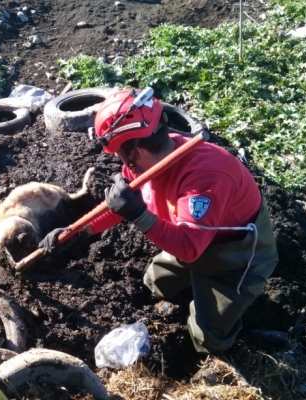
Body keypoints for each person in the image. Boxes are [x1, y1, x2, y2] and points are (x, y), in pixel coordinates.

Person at [40, 88, 279, 353]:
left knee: (208, 338)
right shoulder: (143, 163)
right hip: (189, 234)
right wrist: (81, 230)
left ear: (137, 150)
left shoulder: (205, 175)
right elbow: (121, 204)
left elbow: (189, 248)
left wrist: (140, 215)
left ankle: (220, 340)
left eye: (119, 152)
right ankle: (184, 295)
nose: (120, 161)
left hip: (236, 254)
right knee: (155, 282)